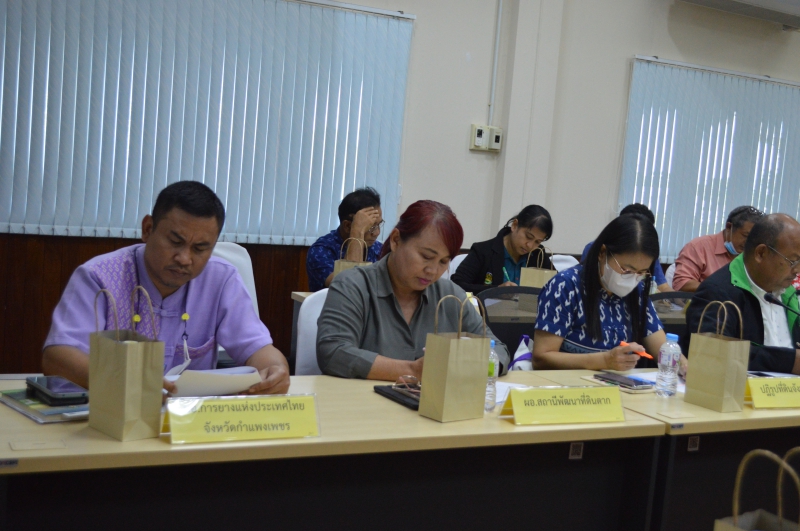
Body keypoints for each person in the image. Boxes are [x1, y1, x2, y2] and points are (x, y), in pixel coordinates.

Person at [42, 181, 290, 395]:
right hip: (110, 414)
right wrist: (123, 381)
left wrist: (276, 370)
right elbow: (58, 357)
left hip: (189, 422)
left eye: (200, 248)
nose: (184, 258)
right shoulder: (98, 277)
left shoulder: (221, 280)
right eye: (175, 242)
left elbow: (259, 349)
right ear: (148, 229)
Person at [316, 200, 510, 380]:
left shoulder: (451, 296)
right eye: (426, 256)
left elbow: (498, 350)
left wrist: (471, 366)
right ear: (396, 240)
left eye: (443, 262)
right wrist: (412, 370)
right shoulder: (353, 285)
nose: (432, 270)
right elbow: (333, 352)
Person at [533, 214, 684, 372]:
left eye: (641, 272)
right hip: (567, 384)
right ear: (602, 252)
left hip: (619, 383)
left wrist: (684, 367)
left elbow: (663, 350)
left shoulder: (637, 292)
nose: (633, 278)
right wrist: (604, 360)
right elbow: (541, 358)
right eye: (627, 270)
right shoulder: (565, 286)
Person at [684, 214, 800, 373]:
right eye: (793, 261)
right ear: (761, 253)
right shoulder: (717, 292)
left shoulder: (789, 293)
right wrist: (789, 361)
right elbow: (714, 353)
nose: (797, 270)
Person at [451, 205, 553, 294]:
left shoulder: (538, 254)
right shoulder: (483, 251)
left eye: (537, 242)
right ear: (514, 225)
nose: (530, 245)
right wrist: (496, 291)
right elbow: (457, 285)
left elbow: (556, 285)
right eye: (528, 236)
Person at [306, 187, 384, 292]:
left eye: (378, 225)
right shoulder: (321, 251)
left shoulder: (378, 249)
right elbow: (346, 287)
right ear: (347, 226)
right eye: (370, 227)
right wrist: (357, 232)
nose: (377, 233)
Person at [580, 203, 672, 292]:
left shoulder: (647, 257)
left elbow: (663, 286)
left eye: (641, 273)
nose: (631, 281)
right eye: (627, 270)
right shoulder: (574, 285)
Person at [672, 206, 763, 292]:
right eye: (745, 236)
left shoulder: (755, 255)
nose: (749, 243)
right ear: (729, 227)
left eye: (754, 238)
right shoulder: (699, 247)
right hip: (707, 302)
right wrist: (720, 289)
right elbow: (681, 283)